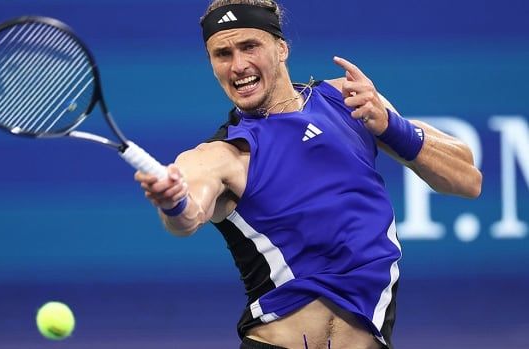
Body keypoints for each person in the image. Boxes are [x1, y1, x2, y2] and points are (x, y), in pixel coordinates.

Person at [135, 1, 482, 348]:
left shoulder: (348, 101)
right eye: (222, 54)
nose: (238, 66)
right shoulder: (221, 155)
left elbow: (468, 179)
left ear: (281, 48)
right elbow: (187, 218)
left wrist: (391, 127)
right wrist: (173, 202)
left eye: (249, 46)